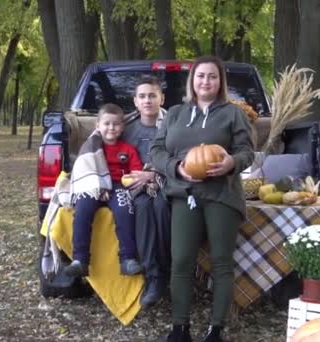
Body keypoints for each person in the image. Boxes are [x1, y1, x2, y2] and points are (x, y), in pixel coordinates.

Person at [150, 56, 254, 342]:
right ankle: (180, 328)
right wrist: (177, 169)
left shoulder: (234, 114)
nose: (205, 81)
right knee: (181, 260)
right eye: (200, 76)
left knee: (221, 262)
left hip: (222, 194)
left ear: (220, 82)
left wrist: (231, 162)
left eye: (212, 76)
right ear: (192, 81)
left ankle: (215, 330)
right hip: (185, 195)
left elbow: (247, 151)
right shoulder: (174, 113)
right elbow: (156, 151)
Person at [65, 103, 144, 278]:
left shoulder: (128, 150)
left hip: (119, 187)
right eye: (106, 123)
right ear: (97, 125)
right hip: (94, 186)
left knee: (125, 209)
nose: (111, 128)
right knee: (82, 209)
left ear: (122, 127)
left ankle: (128, 259)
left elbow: (135, 173)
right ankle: (80, 260)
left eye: (116, 124)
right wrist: (100, 187)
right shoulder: (90, 148)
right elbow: (84, 170)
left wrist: (128, 183)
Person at [121, 75, 171, 308]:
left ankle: (166, 270)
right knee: (142, 207)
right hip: (136, 187)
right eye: (142, 96)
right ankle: (153, 277)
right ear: (135, 101)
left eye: (152, 95)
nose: (147, 100)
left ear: (162, 98)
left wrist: (154, 175)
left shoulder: (173, 124)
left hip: (167, 183)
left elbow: (182, 158)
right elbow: (105, 146)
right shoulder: (127, 127)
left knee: (161, 206)